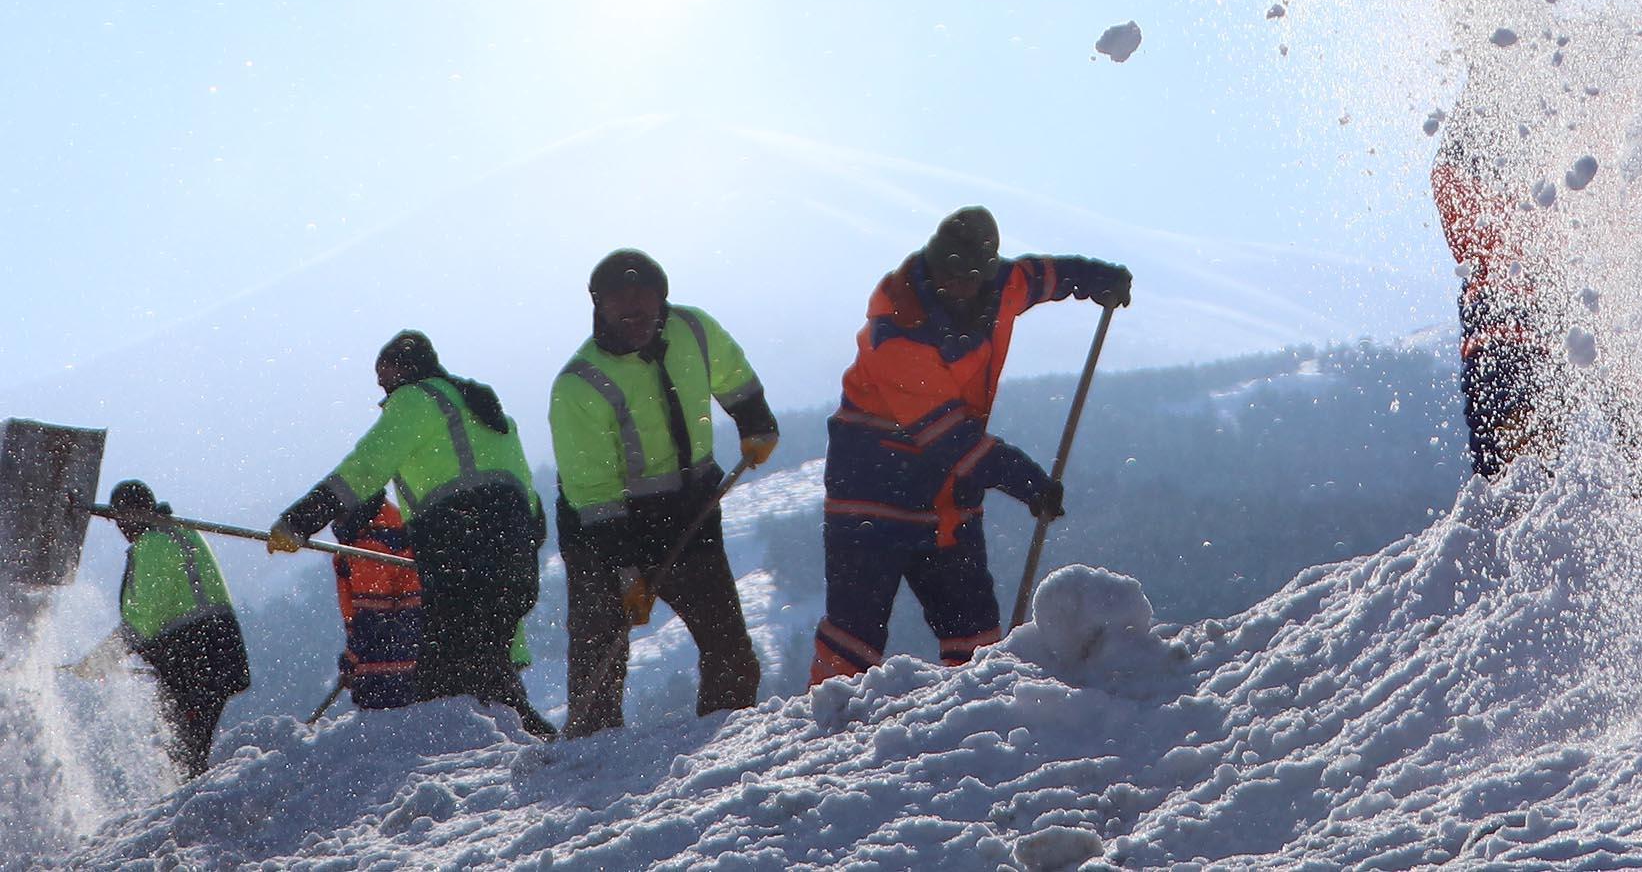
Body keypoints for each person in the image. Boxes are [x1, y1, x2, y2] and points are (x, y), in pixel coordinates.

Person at [808, 209, 1130, 687]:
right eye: (947, 274)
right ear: (932, 264)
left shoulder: (1002, 285)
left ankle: (974, 719)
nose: (955, 285)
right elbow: (954, 443)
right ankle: (824, 723)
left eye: (968, 277)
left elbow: (1045, 276)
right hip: (870, 498)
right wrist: (1028, 483)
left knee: (975, 634)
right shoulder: (897, 331)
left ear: (985, 274)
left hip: (945, 502)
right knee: (854, 637)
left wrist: (1096, 278)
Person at [269, 330, 553, 735]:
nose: (383, 394)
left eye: (384, 381)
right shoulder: (489, 414)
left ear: (403, 370)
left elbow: (364, 469)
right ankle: (530, 746)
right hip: (511, 549)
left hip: (460, 546)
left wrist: (299, 521)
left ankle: (520, 753)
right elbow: (532, 506)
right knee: (481, 670)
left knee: (447, 682)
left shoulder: (417, 400)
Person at [551, 248, 780, 736]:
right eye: (620, 304)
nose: (634, 313)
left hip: (687, 511)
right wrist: (626, 568)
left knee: (729, 649)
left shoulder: (693, 329)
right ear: (598, 306)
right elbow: (593, 493)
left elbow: (734, 375)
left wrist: (755, 421)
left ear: (663, 301)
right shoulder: (578, 386)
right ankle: (587, 760)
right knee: (599, 661)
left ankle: (727, 743)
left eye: (645, 301)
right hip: (602, 532)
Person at [67, 481, 250, 778]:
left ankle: (196, 805)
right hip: (218, 648)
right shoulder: (181, 531)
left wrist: (100, 659)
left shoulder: (153, 545)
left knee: (184, 744)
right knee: (188, 740)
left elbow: (144, 620)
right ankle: (195, 795)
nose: (121, 528)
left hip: (196, 654)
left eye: (122, 519)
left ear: (135, 513)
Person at [1429, 104, 1560, 477]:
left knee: (1524, 493)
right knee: (1524, 490)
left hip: (1509, 334)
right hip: (1511, 335)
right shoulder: (1488, 122)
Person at [328, 498, 425, 711]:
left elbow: (372, 614)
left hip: (386, 665)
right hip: (410, 652)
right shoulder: (391, 526)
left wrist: (352, 659)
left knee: (385, 732)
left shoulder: (369, 544)